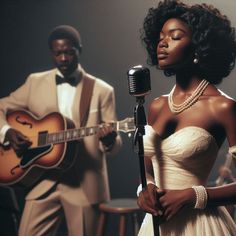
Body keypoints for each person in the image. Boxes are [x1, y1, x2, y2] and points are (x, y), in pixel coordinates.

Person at [0, 25, 122, 236]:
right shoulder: (34, 82)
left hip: (83, 185)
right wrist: (7, 131)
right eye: (58, 53)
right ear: (52, 53)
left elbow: (115, 143)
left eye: (69, 52)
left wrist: (110, 140)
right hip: (42, 181)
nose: (63, 58)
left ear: (79, 50)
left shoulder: (102, 90)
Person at [136, 0, 236, 235]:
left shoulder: (222, 107)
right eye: (161, 36)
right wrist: (145, 189)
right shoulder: (157, 106)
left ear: (199, 47)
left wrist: (193, 195)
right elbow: (148, 165)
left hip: (200, 225)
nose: (163, 42)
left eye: (175, 36)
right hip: (157, 225)